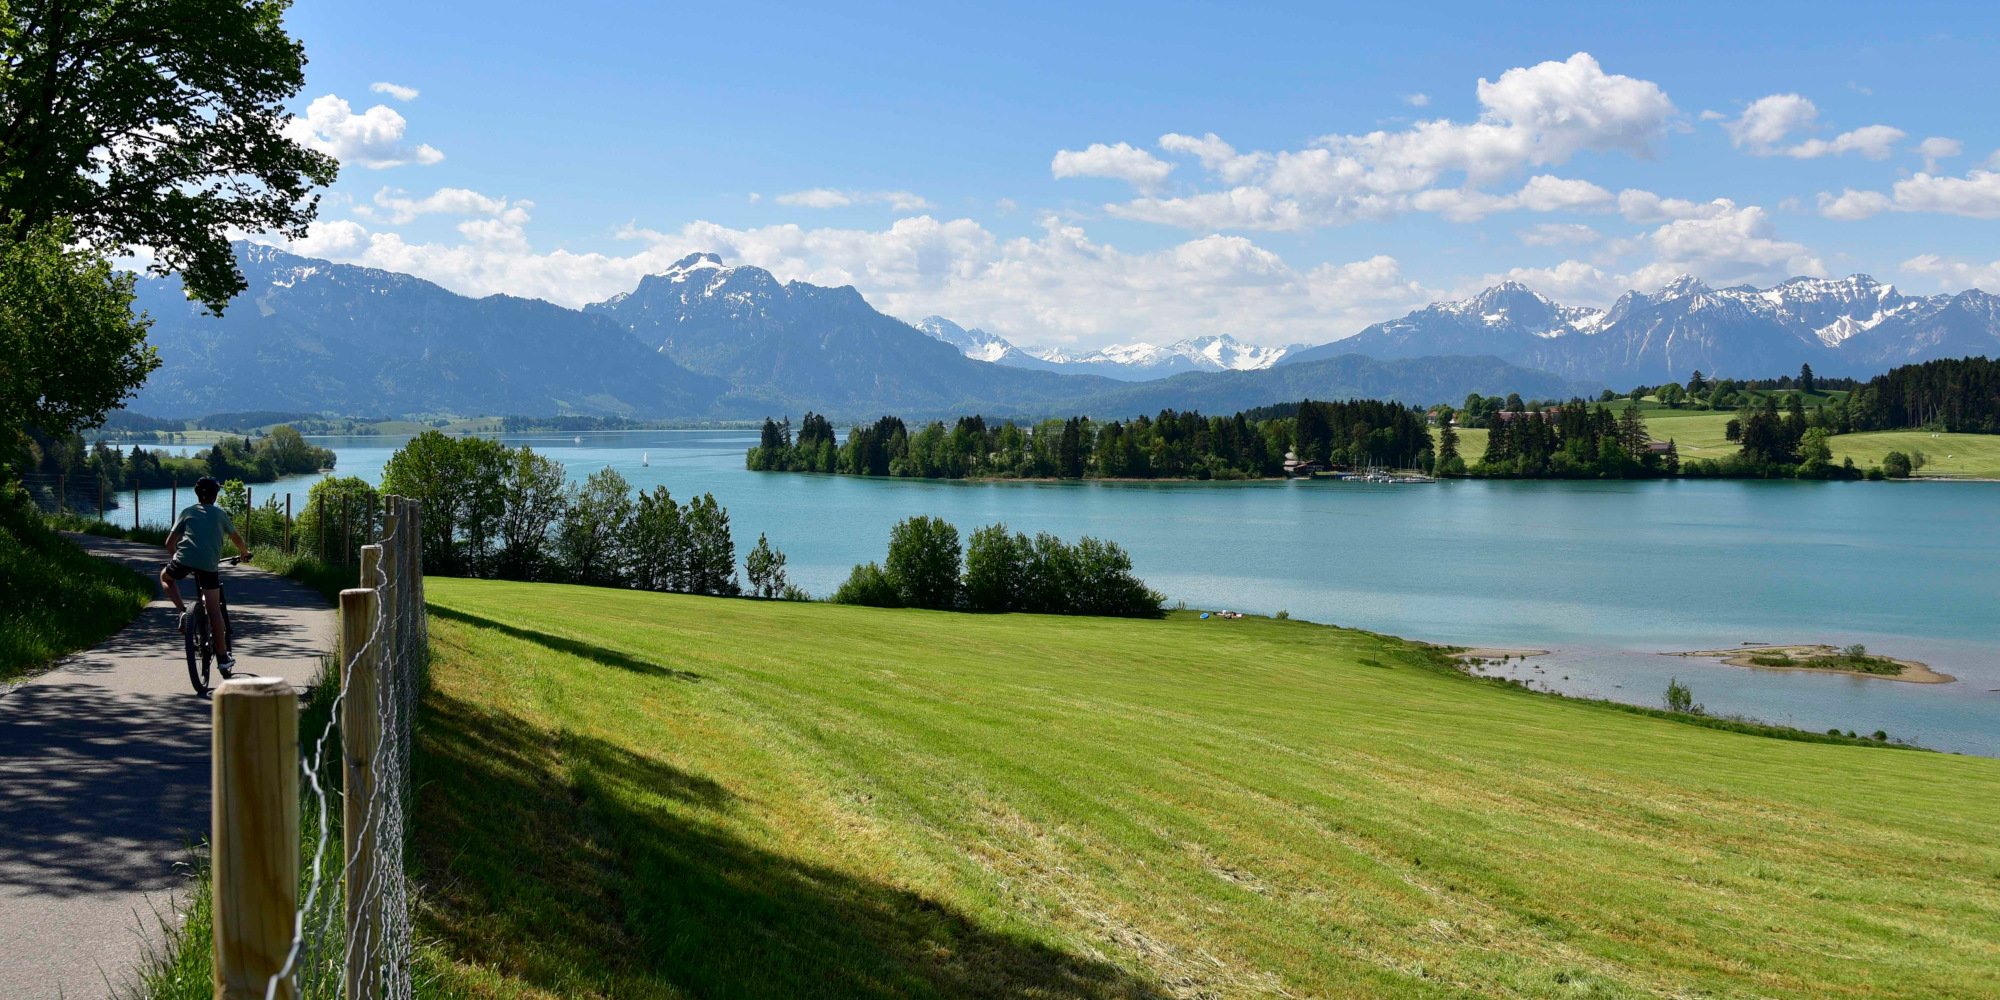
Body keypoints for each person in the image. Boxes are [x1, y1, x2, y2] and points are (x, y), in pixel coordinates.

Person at [162, 477, 252, 674]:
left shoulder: (187, 512)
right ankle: (222, 657)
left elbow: (170, 543)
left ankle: (183, 612)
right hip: (209, 565)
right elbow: (235, 537)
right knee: (214, 610)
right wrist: (244, 552)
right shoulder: (220, 514)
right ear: (216, 495)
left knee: (165, 578)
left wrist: (177, 559)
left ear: (197, 494)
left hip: (184, 560)